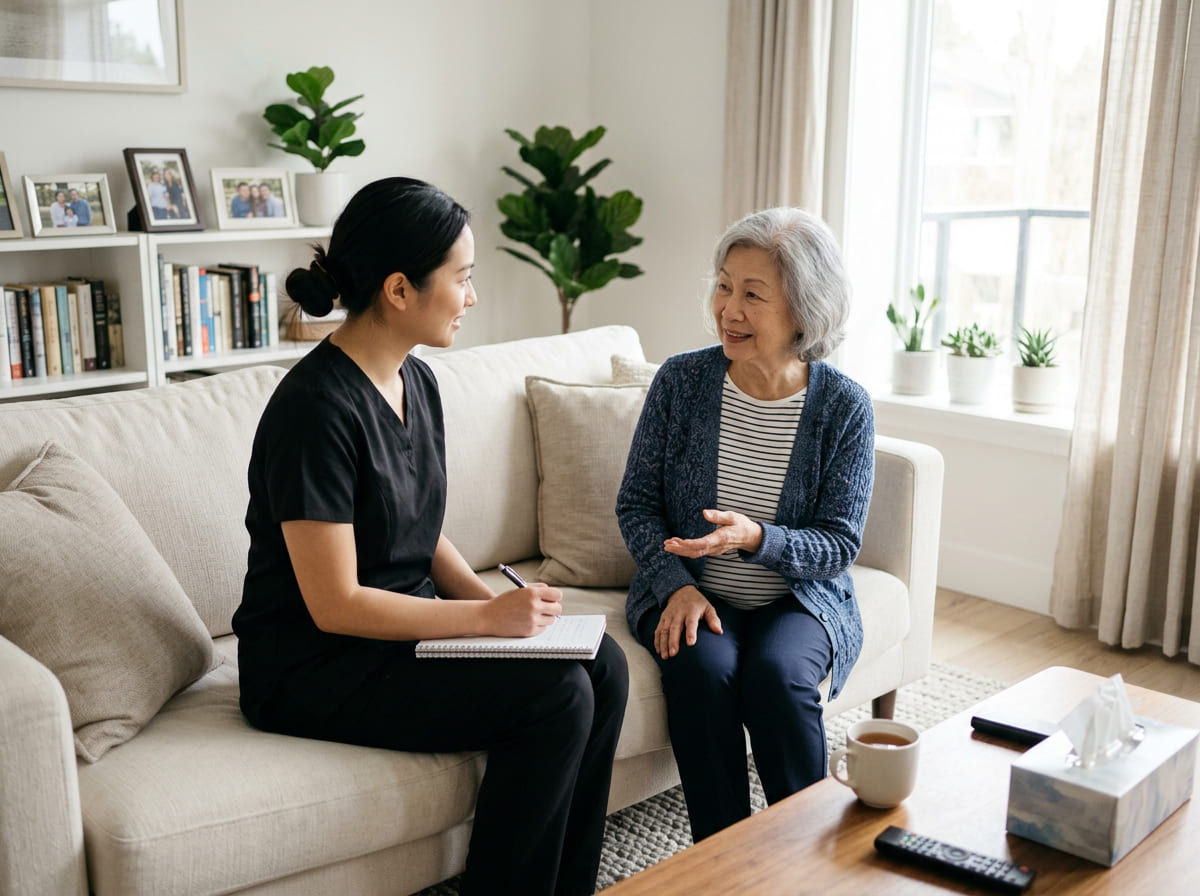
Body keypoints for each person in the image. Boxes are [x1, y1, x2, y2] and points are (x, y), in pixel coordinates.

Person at [232, 176, 628, 896]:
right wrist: (484, 620)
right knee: (556, 696)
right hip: (316, 665)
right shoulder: (313, 412)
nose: (472, 297)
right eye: (463, 277)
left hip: (400, 635)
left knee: (603, 664)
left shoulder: (416, 380)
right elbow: (335, 604)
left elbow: (417, 526)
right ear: (398, 290)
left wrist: (497, 608)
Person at [616, 207, 875, 842]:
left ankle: (805, 854)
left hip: (797, 600)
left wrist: (757, 538)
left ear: (805, 312)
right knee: (699, 672)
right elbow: (637, 504)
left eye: (753, 295)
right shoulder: (681, 381)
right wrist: (676, 586)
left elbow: (839, 543)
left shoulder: (844, 406)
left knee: (778, 680)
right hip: (695, 590)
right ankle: (722, 857)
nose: (728, 309)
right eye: (724, 286)